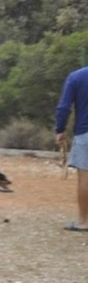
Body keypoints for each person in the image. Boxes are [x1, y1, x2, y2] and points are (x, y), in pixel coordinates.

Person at [56, 63, 88, 231]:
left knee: (85, 178)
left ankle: (84, 221)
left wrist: (60, 129)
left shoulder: (76, 77)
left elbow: (64, 107)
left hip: (85, 132)